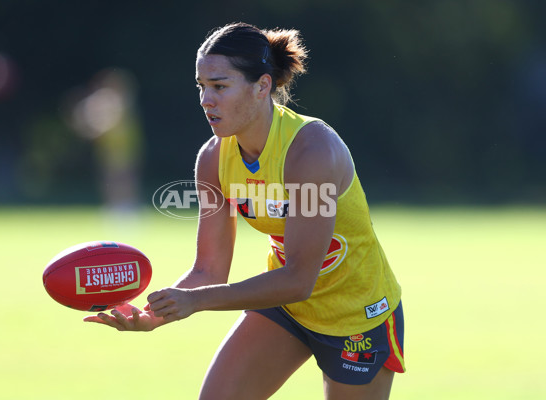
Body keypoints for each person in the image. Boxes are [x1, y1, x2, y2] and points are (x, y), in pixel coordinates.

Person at [84, 22, 405, 400]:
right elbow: (209, 269)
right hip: (285, 307)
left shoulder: (311, 151)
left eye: (220, 86)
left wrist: (196, 302)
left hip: (356, 315)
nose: (206, 99)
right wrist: (154, 314)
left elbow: (300, 279)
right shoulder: (213, 159)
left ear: (262, 87)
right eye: (202, 86)